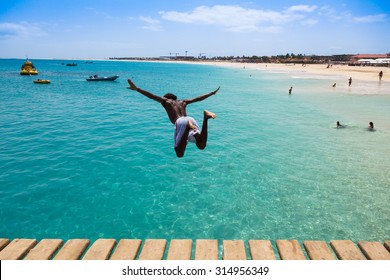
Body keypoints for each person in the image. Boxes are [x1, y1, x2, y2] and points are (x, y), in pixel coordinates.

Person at [127, 79, 220, 157]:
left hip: (182, 122)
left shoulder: (166, 101)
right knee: (201, 144)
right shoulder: (183, 101)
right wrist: (211, 93)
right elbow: (197, 99)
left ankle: (188, 127)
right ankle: (205, 117)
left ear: (167, 98)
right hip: (190, 119)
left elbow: (152, 96)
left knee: (179, 153)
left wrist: (137, 89)